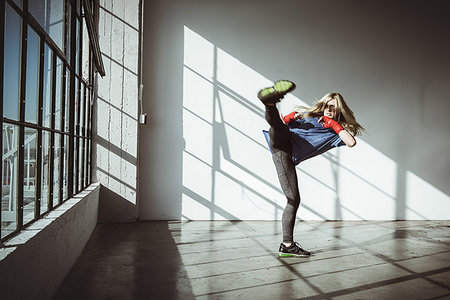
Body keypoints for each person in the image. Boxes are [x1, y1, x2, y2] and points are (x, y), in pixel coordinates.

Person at [258, 80, 364, 258]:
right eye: (327, 106)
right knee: (279, 127)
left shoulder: (334, 133)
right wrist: (290, 118)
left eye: (333, 107)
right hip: (282, 144)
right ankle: (270, 103)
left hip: (287, 157)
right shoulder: (311, 117)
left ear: (339, 110)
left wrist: (334, 125)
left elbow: (351, 142)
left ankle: (287, 245)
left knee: (293, 199)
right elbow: (283, 125)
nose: (329, 110)